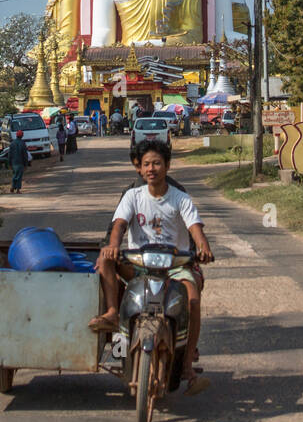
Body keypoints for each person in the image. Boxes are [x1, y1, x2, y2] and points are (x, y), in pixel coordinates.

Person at [89, 138, 213, 394]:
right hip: (139, 264)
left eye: (157, 163)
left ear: (167, 166)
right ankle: (113, 311)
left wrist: (202, 247)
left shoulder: (180, 198)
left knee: (192, 300)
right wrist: (112, 245)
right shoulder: (132, 196)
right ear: (138, 168)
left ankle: (187, 364)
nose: (151, 169)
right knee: (104, 260)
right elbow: (119, 225)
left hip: (175, 266)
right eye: (146, 164)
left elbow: (195, 228)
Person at [8, 129, 30, 194]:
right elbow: (25, 155)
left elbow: (9, 154)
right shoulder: (23, 143)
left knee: (15, 174)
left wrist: (9, 163)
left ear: (16, 135)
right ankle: (17, 189)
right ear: (22, 136)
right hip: (21, 162)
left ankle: (12, 187)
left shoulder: (12, 143)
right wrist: (26, 164)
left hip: (14, 162)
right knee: (19, 176)